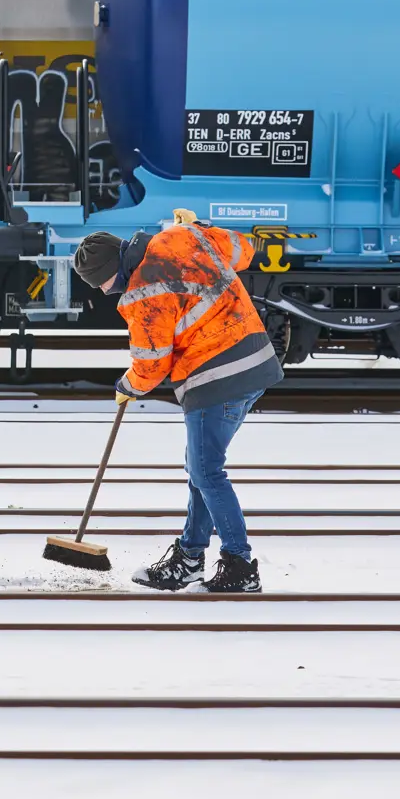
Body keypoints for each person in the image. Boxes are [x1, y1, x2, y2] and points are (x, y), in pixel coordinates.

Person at [73, 215, 283, 593]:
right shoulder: (180, 236)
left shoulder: (142, 292)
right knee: (202, 468)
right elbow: (245, 250)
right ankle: (189, 557)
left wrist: (128, 386)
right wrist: (203, 227)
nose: (106, 291)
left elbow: (152, 364)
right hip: (255, 361)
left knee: (206, 471)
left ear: (112, 269)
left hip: (217, 376)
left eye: (102, 284)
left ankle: (240, 566)